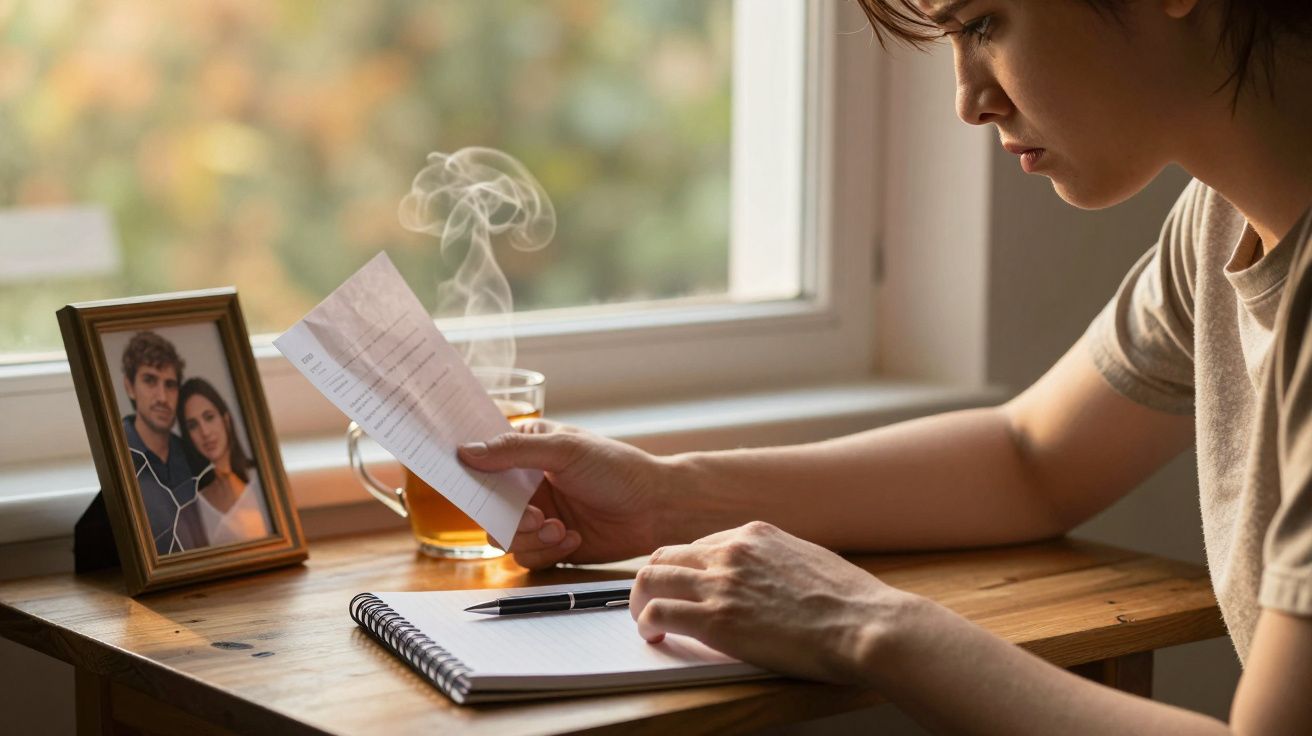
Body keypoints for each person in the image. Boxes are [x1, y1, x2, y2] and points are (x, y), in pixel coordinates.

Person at [456, 1, 1312, 732]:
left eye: (983, 23)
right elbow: (1032, 458)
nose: (969, 102)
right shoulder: (1216, 222)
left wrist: (865, 626)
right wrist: (663, 499)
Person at [120, 331, 208, 555]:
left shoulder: (197, 458)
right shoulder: (116, 457)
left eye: (170, 385)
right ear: (129, 387)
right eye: (150, 380)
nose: (162, 397)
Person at [179, 377, 273, 547]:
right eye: (193, 425)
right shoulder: (191, 506)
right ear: (188, 437)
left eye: (209, 417)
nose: (205, 432)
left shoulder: (264, 479)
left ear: (226, 419)